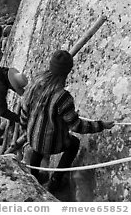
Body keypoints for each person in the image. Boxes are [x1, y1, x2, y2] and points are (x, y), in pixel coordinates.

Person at [20, 50, 114, 193]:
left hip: (32, 136)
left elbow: (24, 110)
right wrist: (101, 125)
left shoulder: (36, 82)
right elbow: (76, 125)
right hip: (49, 143)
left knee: (37, 149)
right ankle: (56, 180)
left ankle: (33, 176)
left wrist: (25, 129)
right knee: (73, 144)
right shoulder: (63, 97)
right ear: (68, 71)